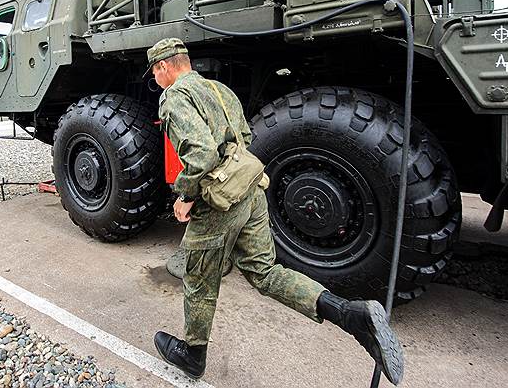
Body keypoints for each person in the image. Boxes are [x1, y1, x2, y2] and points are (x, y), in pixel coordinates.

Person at [146, 38, 404, 385]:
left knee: (198, 278)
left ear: (164, 66)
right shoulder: (218, 90)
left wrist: (186, 195)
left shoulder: (175, 96)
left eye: (155, 72)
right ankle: (350, 315)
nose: (156, 79)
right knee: (265, 272)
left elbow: (203, 154)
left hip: (220, 201)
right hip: (252, 188)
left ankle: (193, 354)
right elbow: (244, 137)